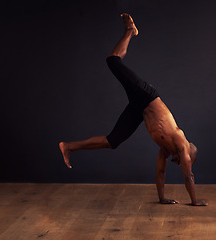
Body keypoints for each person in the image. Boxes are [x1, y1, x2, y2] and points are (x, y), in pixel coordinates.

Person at [59, 13, 207, 206]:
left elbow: (160, 172)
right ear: (189, 154)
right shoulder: (181, 142)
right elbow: (188, 176)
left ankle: (68, 146)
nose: (178, 163)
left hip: (140, 109)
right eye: (182, 161)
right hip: (147, 96)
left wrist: (162, 199)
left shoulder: (166, 150)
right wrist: (194, 202)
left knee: (112, 141)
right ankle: (130, 31)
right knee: (113, 61)